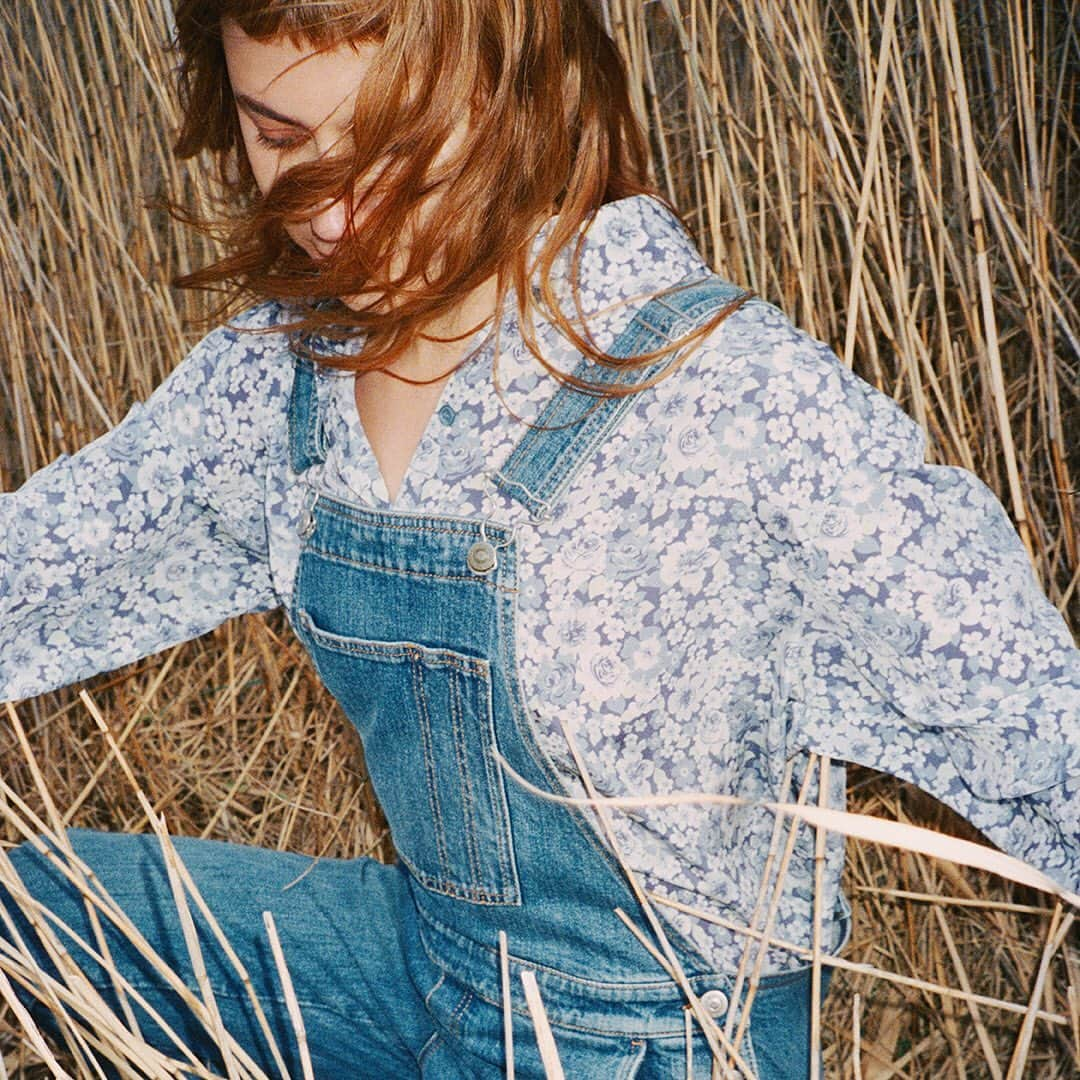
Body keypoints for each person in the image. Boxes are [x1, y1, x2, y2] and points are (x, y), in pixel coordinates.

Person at [1, 1, 1077, 1077]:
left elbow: (1028, 711)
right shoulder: (283, 381)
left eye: (391, 152)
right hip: (441, 962)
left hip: (655, 1036)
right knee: (37, 907)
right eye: (280, 137)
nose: (329, 215)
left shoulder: (720, 397)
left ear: (515, 98)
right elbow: (46, 560)